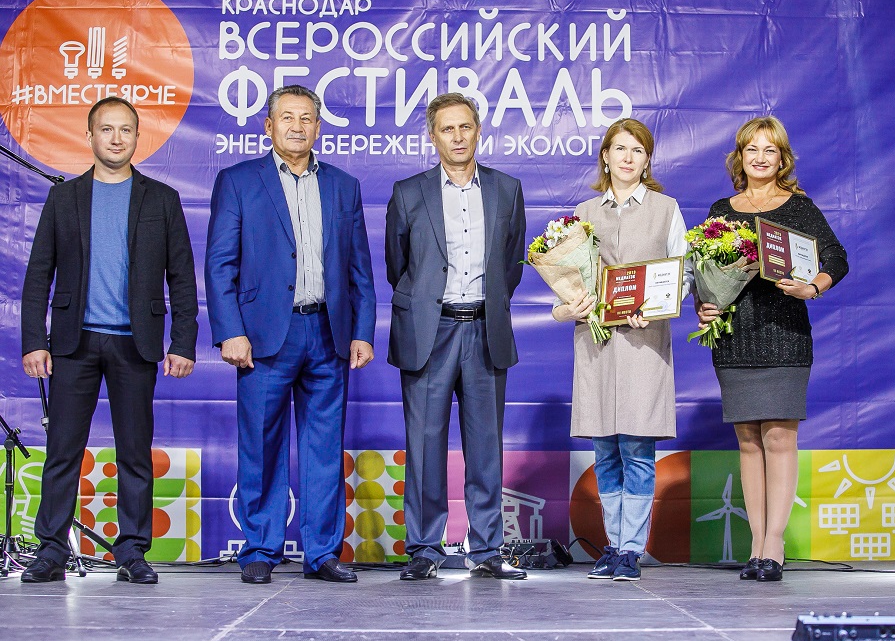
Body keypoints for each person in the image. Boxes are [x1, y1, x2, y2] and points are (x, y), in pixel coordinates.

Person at [20, 97, 198, 584]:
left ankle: (132, 551)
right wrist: (34, 340)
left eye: (126, 130)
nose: (116, 138)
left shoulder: (162, 199)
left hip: (135, 346)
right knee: (62, 451)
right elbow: (38, 276)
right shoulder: (64, 198)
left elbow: (182, 278)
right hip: (73, 344)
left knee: (134, 452)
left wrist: (183, 342)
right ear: (90, 136)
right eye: (107, 129)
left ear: (137, 137)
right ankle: (51, 551)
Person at [204, 85, 377, 585]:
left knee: (324, 448)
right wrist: (230, 331)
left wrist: (362, 331)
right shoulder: (238, 181)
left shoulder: (343, 185)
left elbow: (359, 269)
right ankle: (260, 547)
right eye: (287, 117)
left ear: (318, 127)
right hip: (262, 336)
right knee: (261, 443)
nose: (297, 126)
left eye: (306, 118)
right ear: (268, 126)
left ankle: (322, 553)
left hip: (327, 331)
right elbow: (219, 265)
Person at [696, 116, 849, 582]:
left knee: (779, 438)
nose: (761, 158)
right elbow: (703, 272)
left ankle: (774, 545)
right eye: (752, 149)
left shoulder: (799, 207)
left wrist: (812, 287)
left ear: (782, 158)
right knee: (748, 441)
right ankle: (756, 543)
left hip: (785, 334)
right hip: (735, 338)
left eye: (770, 150)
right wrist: (705, 305)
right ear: (739, 157)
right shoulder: (722, 209)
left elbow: (837, 258)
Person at [385, 93, 527, 581]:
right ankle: (425, 548)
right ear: (433, 137)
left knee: (486, 446)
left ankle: (486, 549)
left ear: (478, 131)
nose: (458, 136)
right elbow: (399, 265)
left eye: (465, 126)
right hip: (430, 330)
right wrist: (430, 304)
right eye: (447, 129)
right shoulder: (409, 192)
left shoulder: (507, 189)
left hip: (486, 329)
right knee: (425, 445)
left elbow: (511, 265)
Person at [552, 118, 692, 581]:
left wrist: (657, 307)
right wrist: (573, 305)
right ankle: (613, 546)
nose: (628, 157)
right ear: (605, 157)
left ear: (647, 160)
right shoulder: (584, 212)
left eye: (638, 150)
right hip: (597, 343)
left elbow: (683, 273)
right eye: (620, 148)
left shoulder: (666, 209)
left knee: (636, 447)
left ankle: (631, 549)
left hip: (643, 343)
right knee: (605, 449)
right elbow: (571, 279)